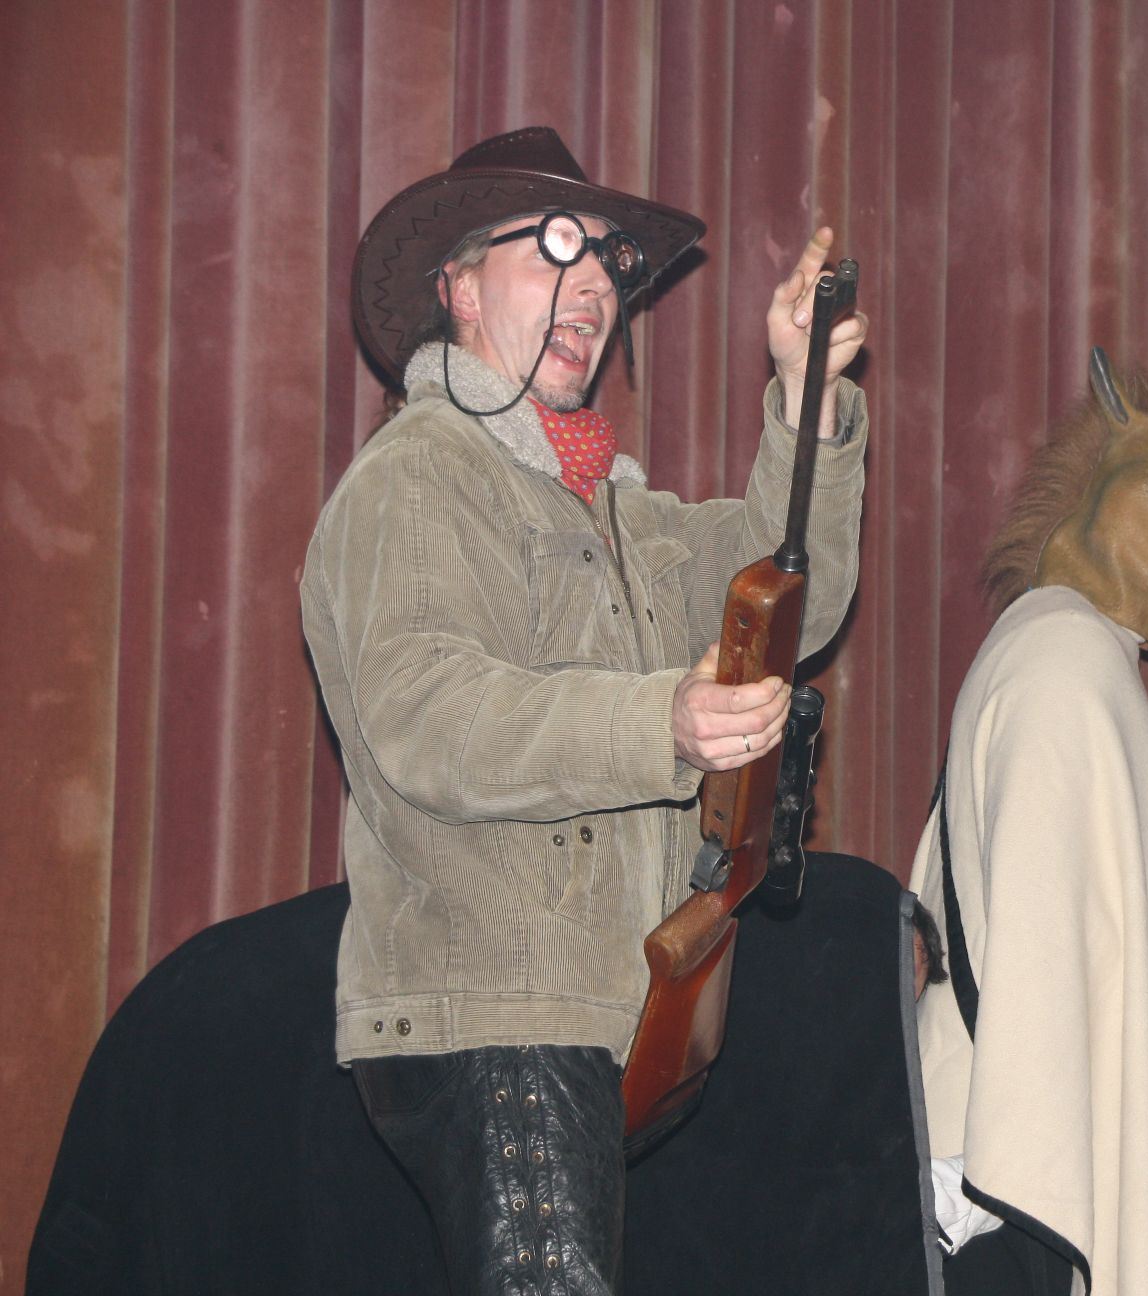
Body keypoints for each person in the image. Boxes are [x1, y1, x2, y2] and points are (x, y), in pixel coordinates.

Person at [302, 125, 868, 1294]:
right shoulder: (417, 476)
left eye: (610, 261)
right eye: (557, 246)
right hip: (496, 1015)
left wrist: (807, 407)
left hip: (610, 1023)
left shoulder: (616, 509)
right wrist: (661, 724)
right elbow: (430, 718)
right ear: (460, 289)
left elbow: (789, 595)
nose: (598, 283)